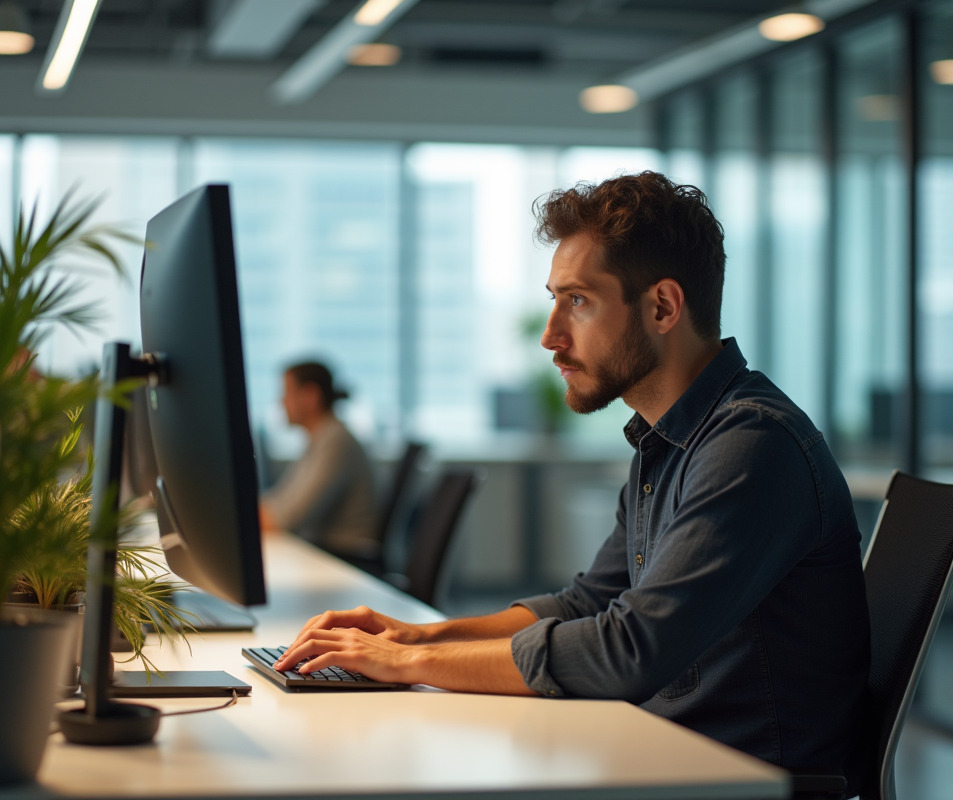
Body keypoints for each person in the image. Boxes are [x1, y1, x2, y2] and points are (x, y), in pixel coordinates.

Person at [272, 172, 871, 791]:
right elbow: (588, 604)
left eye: (578, 301)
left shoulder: (751, 445)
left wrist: (413, 662)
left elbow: (631, 649)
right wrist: (415, 635)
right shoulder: (664, 442)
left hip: (735, 780)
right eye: (555, 299)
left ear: (662, 306)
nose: (550, 336)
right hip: (666, 756)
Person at [259, 361, 378, 562]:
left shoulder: (336, 442)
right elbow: (281, 502)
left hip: (346, 559)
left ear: (310, 396)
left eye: (286, 393)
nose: (281, 402)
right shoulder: (320, 439)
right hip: (326, 553)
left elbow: (287, 519)